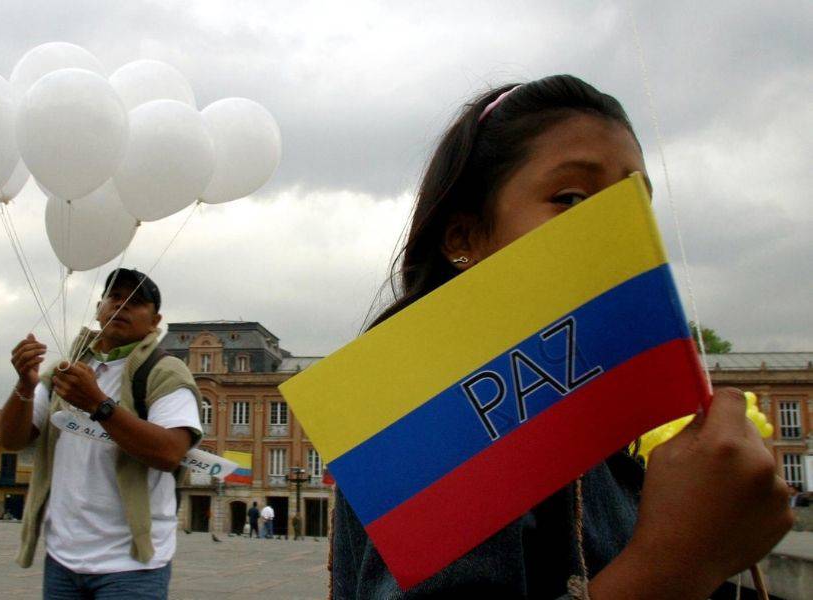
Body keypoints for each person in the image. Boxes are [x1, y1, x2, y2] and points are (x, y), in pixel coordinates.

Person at [330, 75, 794, 599]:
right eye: (571, 198)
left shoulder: (596, 420)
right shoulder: (433, 413)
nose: (618, 228)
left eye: (635, 205)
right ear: (465, 238)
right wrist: (677, 562)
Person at [0, 268, 203, 599]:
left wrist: (98, 404)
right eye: (114, 297)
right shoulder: (65, 371)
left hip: (130, 568)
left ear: (155, 321)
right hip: (62, 560)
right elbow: (12, 439)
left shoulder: (165, 372)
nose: (120, 306)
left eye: (135, 302)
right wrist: (24, 384)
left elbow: (170, 453)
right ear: (99, 307)